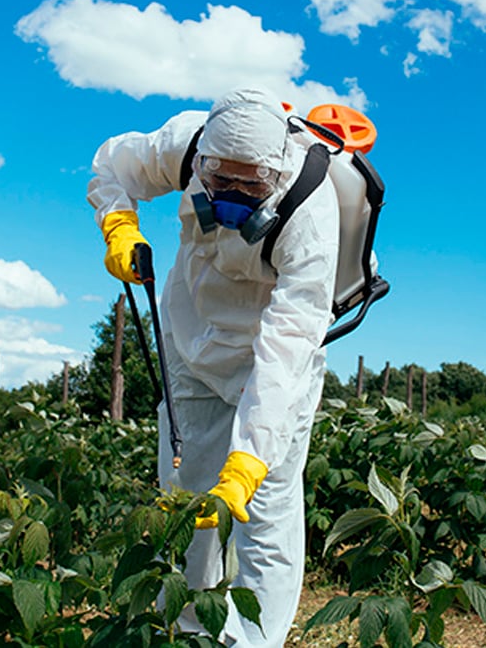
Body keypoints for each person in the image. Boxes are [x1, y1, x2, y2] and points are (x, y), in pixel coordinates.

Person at [86, 85, 340, 647]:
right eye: (218, 180)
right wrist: (119, 224)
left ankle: (252, 642)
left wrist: (248, 461)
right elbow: (113, 164)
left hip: (270, 358)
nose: (230, 195)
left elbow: (289, 346)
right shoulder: (182, 141)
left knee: (265, 514)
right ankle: (186, 630)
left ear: (275, 174)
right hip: (191, 335)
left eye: (249, 185)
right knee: (186, 491)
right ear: (201, 160)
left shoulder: (312, 217)